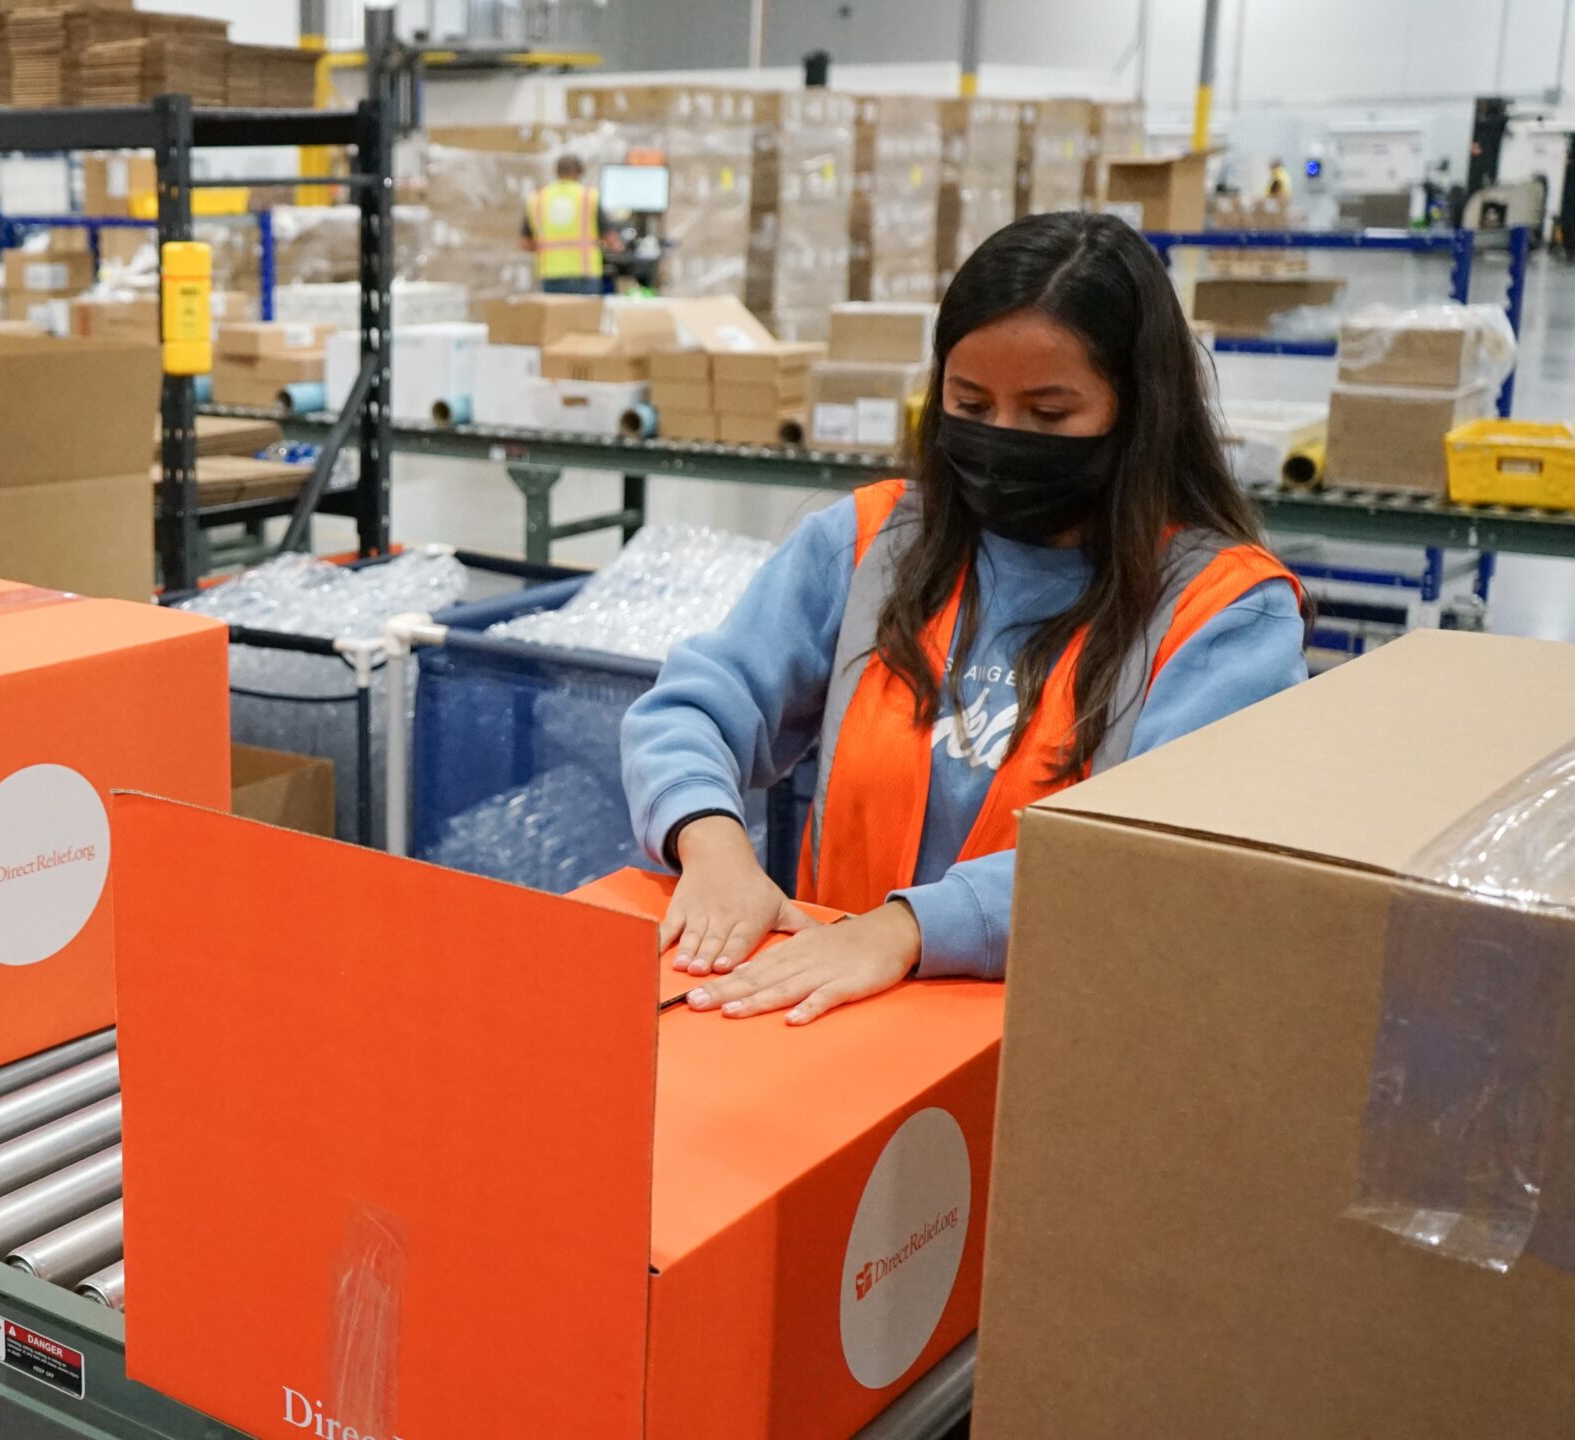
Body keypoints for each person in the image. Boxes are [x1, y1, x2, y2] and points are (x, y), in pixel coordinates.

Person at [621, 212, 1307, 1024]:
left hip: (1065, 1043)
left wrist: (911, 929)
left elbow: (1162, 856)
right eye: (970, 404)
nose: (1003, 439)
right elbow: (693, 708)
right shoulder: (870, 545)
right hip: (828, 1024)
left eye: (1049, 415)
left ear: (1140, 412)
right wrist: (710, 841)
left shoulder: (1224, 614)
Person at [521, 155, 615, 295]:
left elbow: (525, 242)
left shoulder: (538, 198)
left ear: (557, 172)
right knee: (584, 310)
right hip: (584, 273)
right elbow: (609, 238)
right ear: (578, 173)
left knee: (557, 310)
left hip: (550, 273)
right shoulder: (589, 197)